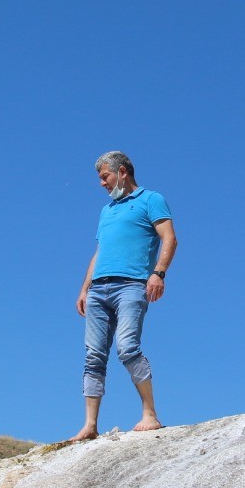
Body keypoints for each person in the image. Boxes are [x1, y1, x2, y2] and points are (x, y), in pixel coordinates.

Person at [72, 150, 176, 441]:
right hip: (98, 290)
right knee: (93, 356)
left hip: (131, 285)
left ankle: (150, 413)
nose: (101, 183)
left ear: (122, 172)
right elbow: (100, 252)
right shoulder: (106, 211)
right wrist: (84, 288)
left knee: (127, 347)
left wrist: (158, 273)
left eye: (105, 176)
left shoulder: (151, 199)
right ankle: (90, 426)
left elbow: (169, 238)